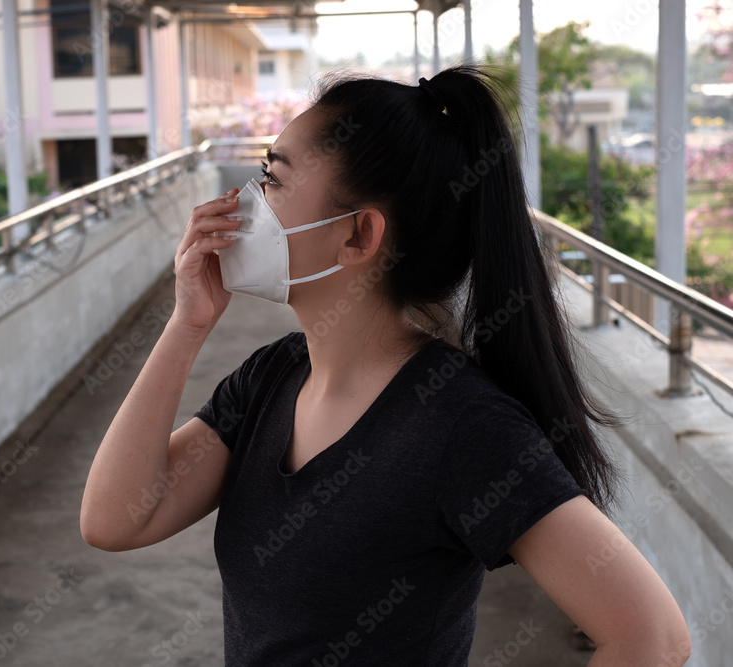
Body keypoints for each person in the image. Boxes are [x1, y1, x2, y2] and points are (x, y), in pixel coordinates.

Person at [80, 64, 692, 666]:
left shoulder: (462, 424)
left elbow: (653, 639)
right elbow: (116, 520)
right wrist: (187, 325)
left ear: (357, 236)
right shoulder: (270, 378)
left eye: (272, 180)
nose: (243, 203)